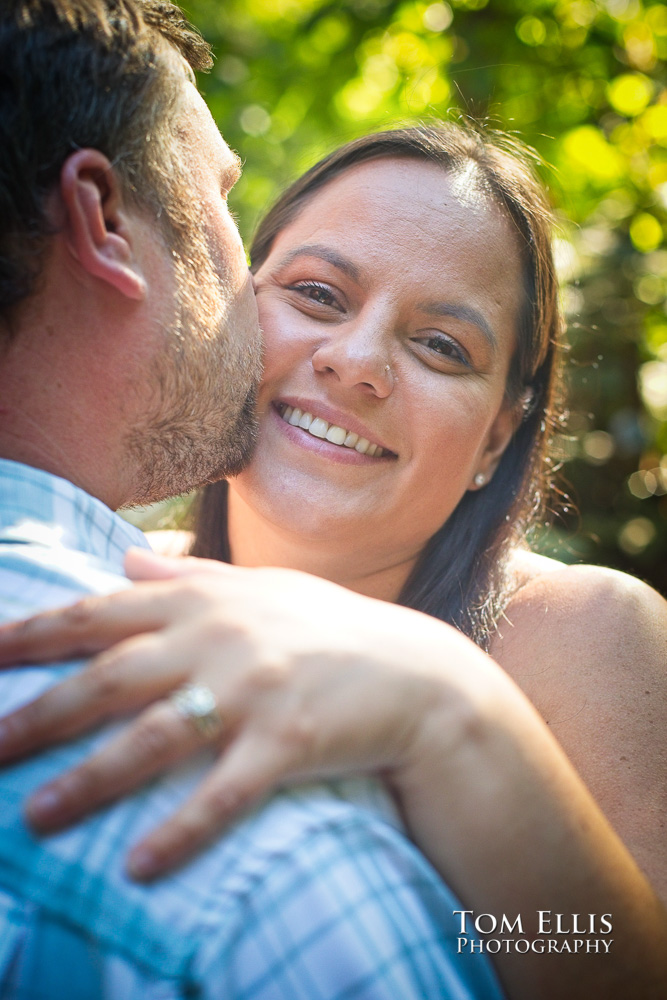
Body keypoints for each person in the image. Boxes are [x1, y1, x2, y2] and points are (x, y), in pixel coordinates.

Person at [1, 96, 666, 1000]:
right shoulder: (105, 577)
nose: (357, 361)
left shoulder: (586, 633)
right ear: (231, 298)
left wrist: (450, 706)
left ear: (496, 442)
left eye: (439, 346)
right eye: (316, 294)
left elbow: (613, 968)